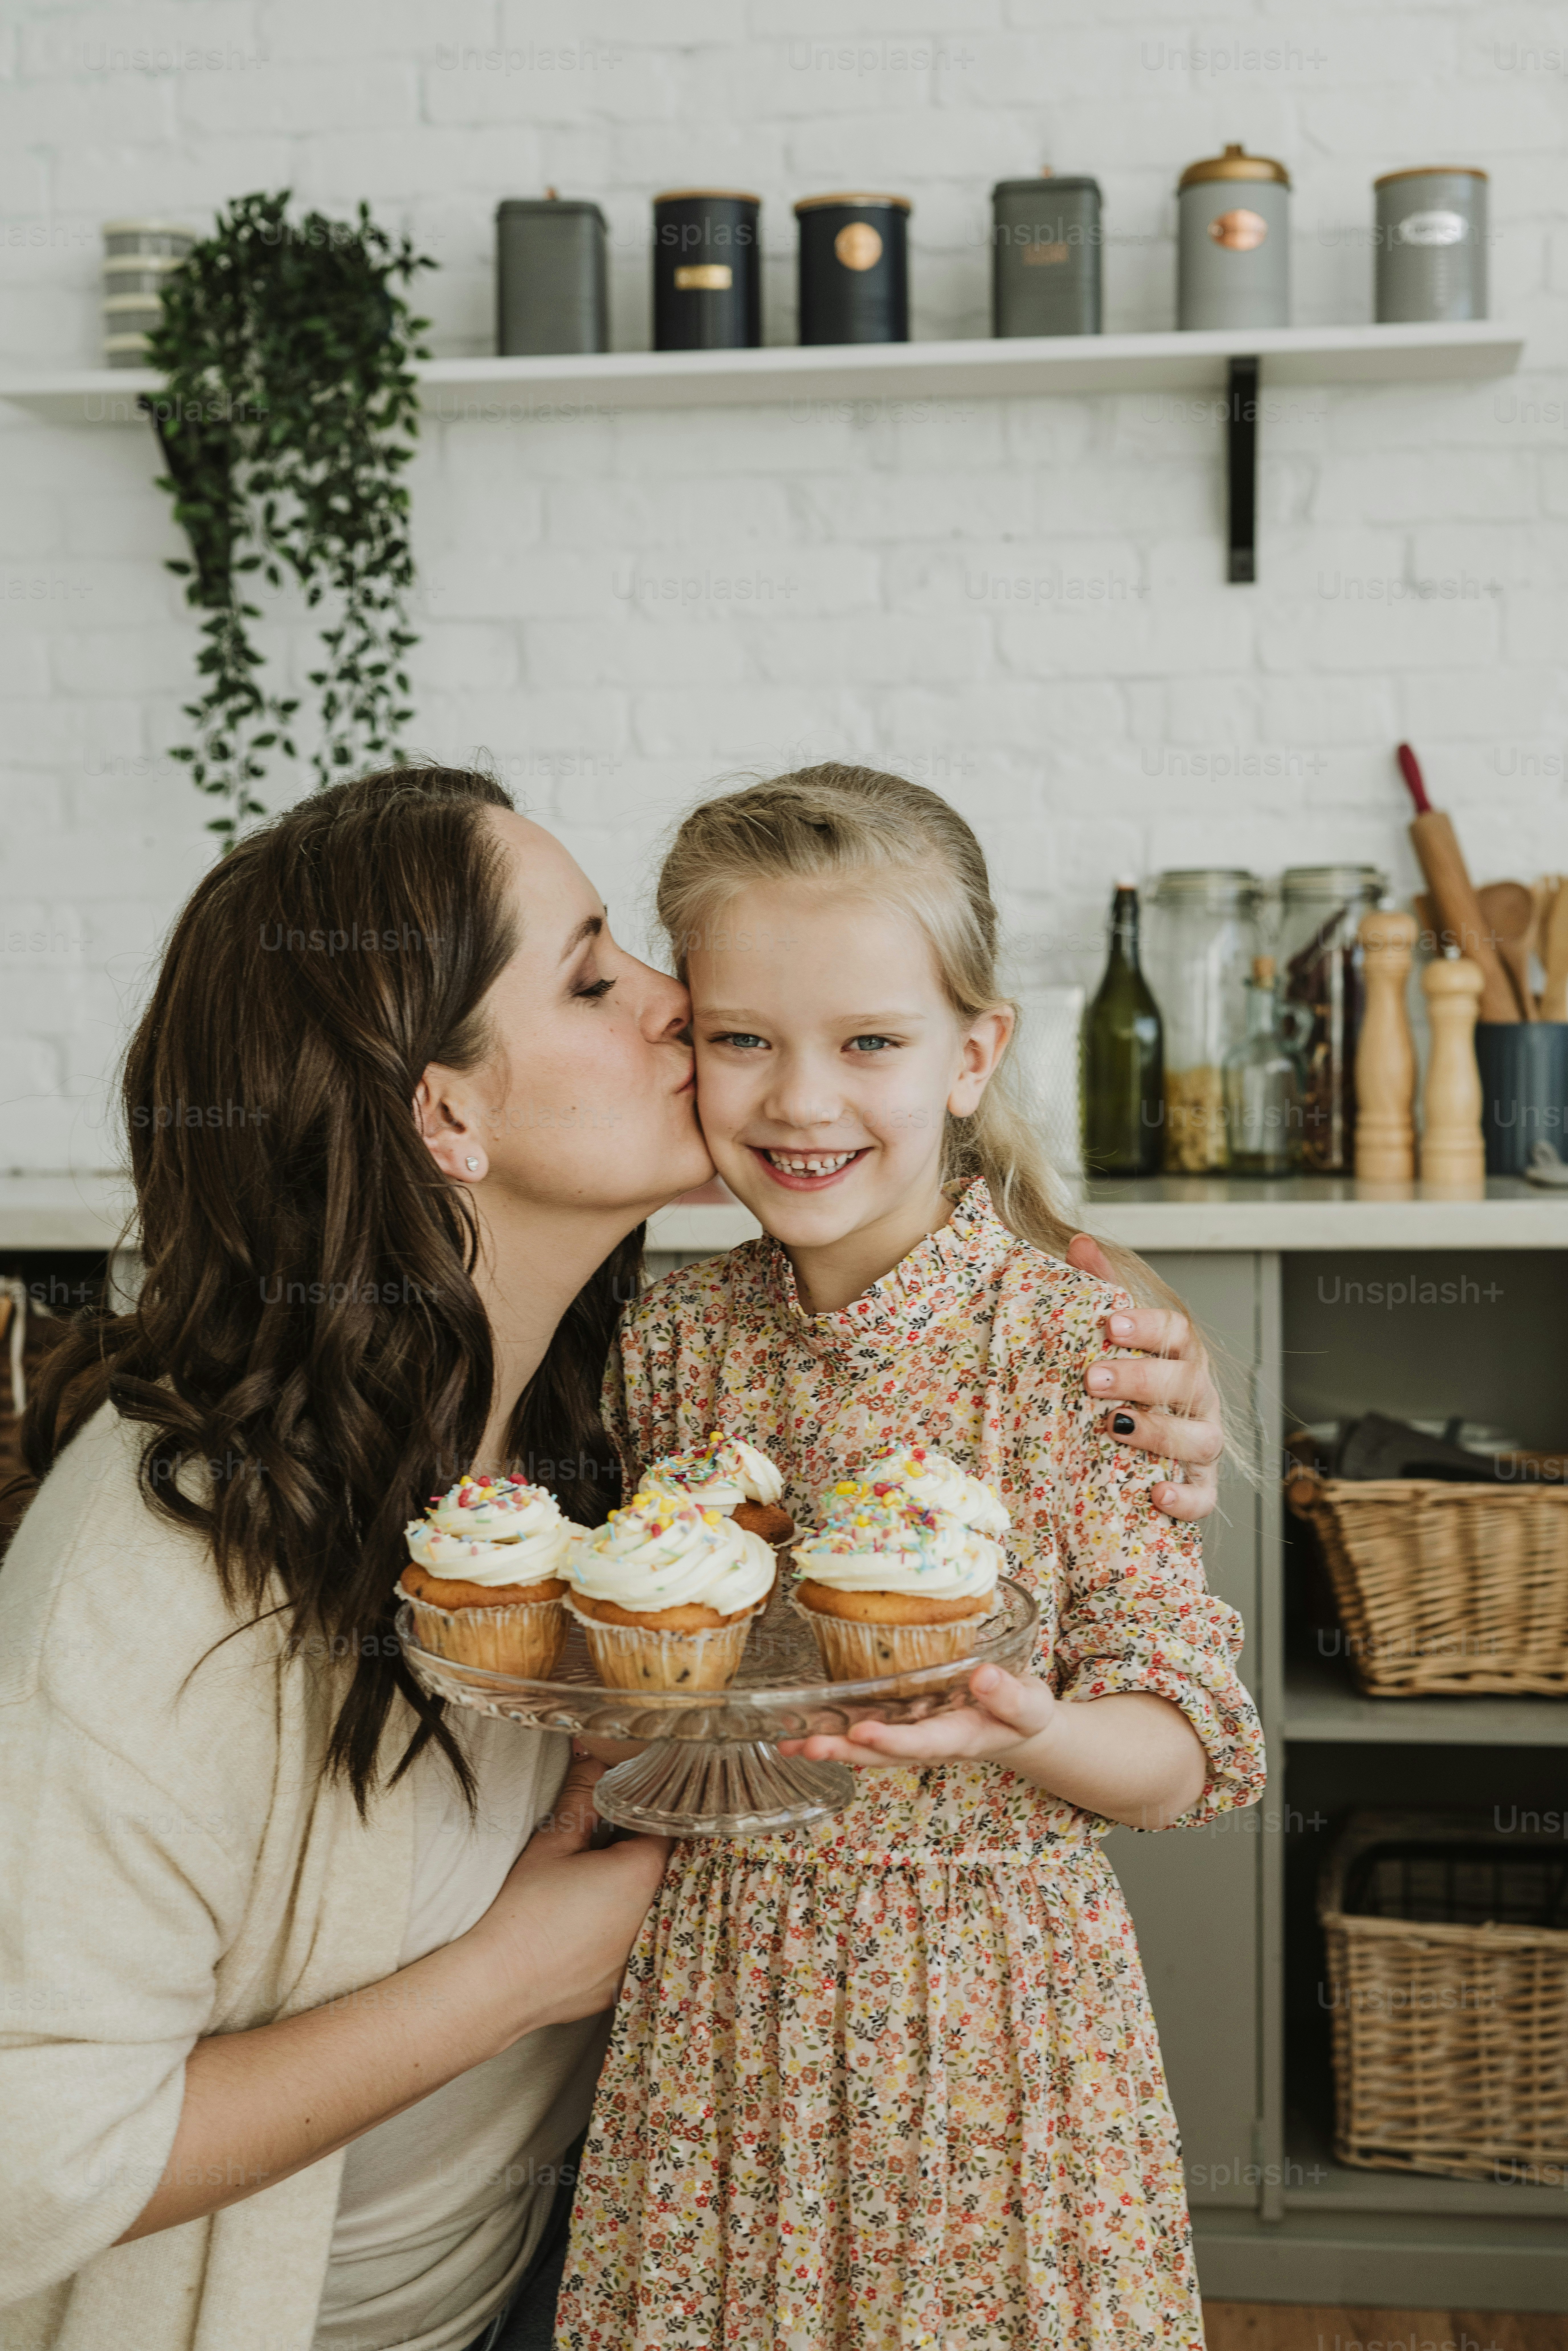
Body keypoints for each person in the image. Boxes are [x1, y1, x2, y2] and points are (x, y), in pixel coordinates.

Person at [0, 765, 1228, 2351]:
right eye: (599, 976)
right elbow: (29, 2149)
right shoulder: (165, 1567)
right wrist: (511, 1979)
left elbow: (922, 1328)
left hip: (690, 2197)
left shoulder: (591, 1399)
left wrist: (1122, 1348)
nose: (684, 1008)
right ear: (447, 1112)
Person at [554, 765, 1266, 2351]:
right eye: (745, 1039)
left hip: (999, 2026)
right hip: (717, 2003)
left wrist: (1037, 1724)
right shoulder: (660, 1340)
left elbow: (1196, 1753)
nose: (803, 1102)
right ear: (689, 1049)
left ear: (975, 1053)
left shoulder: (1082, 1350)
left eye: (871, 1041)